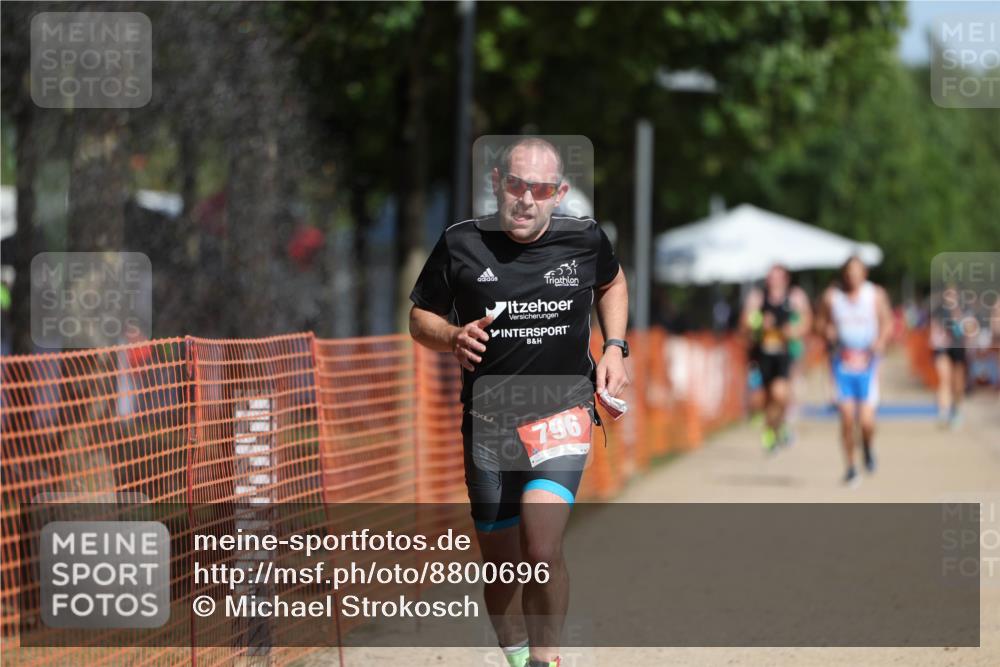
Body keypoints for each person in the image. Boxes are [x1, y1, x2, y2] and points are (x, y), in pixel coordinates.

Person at [408, 137, 629, 667]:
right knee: (503, 571)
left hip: (562, 411)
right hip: (487, 423)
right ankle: (516, 654)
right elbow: (420, 318)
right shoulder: (460, 243)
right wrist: (452, 337)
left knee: (541, 549)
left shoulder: (584, 240)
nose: (526, 198)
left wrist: (616, 348)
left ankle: (546, 660)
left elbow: (613, 284)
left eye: (541, 188)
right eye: (516, 184)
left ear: (560, 193)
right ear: (496, 185)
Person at [815, 257, 892, 486]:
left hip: (868, 363)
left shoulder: (875, 295)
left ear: (865, 274)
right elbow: (819, 322)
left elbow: (887, 323)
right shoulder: (832, 297)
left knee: (866, 422)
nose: (853, 277)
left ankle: (867, 446)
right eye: (849, 272)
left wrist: (880, 341)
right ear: (844, 274)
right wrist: (826, 330)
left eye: (857, 272)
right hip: (842, 363)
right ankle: (850, 466)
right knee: (847, 418)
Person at [739, 265, 812, 451]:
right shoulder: (757, 297)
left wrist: (793, 331)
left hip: (784, 355)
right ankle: (772, 429)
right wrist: (758, 325)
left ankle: (777, 427)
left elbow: (806, 321)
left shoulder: (795, 296)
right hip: (761, 356)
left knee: (779, 394)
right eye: (771, 276)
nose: (774, 280)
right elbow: (744, 324)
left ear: (786, 278)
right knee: (762, 399)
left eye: (778, 276)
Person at [929, 285, 969, 429]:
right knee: (944, 379)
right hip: (943, 348)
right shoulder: (939, 311)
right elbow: (934, 330)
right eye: (948, 294)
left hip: (958, 349)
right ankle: (944, 412)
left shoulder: (964, 311)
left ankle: (957, 411)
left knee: (957, 383)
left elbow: (969, 330)